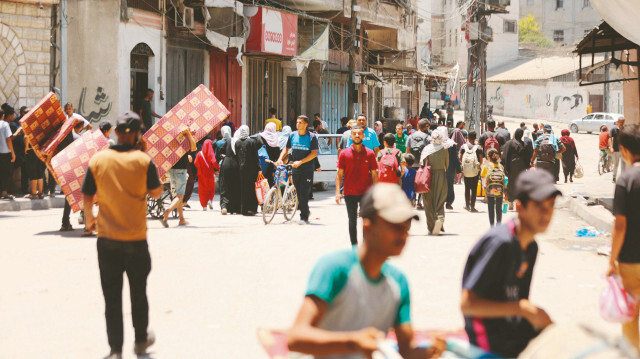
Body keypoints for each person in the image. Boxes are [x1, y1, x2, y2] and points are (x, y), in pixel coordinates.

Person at [288, 183, 445, 359]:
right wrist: (353, 342)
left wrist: (432, 351)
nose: (403, 234)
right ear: (367, 227)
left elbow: (407, 351)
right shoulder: (335, 268)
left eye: (406, 225)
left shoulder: (399, 283)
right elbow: (296, 338)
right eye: (394, 225)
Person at [82, 111, 162, 359]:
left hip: (107, 240)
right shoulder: (143, 161)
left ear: (116, 132)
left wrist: (90, 219)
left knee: (112, 297)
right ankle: (140, 342)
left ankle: (115, 350)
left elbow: (86, 194)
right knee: (139, 293)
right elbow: (157, 193)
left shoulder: (98, 160)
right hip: (136, 239)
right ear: (137, 133)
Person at [461, 169, 559, 358]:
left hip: (513, 329)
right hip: (489, 338)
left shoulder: (531, 247)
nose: (547, 213)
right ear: (520, 207)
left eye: (551, 205)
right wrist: (522, 309)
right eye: (539, 205)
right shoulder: (500, 242)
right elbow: (468, 304)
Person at [606, 124, 640, 351]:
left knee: (630, 316)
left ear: (625, 151)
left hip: (631, 260)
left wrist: (612, 260)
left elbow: (620, 225)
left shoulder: (626, 180)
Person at [335, 126, 379, 245]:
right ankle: (354, 246)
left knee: (367, 221)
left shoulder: (370, 154)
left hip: (366, 192)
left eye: (359, 134)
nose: (357, 136)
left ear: (363, 136)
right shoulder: (344, 154)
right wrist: (338, 192)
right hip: (349, 192)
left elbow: (374, 174)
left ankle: (366, 245)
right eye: (354, 134)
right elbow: (339, 174)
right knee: (352, 220)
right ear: (351, 136)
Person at [277, 116, 318, 224]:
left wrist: (301, 161)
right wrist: (280, 159)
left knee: (304, 193)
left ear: (305, 124)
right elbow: (286, 149)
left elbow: (314, 154)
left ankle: (303, 217)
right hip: (295, 169)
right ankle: (306, 211)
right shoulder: (292, 135)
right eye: (297, 122)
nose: (298, 124)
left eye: (300, 122)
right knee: (299, 193)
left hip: (307, 169)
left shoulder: (312, 137)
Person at [160, 127, 197, 227]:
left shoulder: (171, 140)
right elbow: (194, 148)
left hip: (171, 171)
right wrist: (188, 133)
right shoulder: (184, 141)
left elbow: (165, 157)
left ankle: (181, 219)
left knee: (177, 195)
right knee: (180, 195)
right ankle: (167, 211)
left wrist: (163, 172)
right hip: (181, 171)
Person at [420, 128, 450, 235]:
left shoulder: (426, 149)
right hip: (441, 175)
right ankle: (439, 219)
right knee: (440, 199)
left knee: (428, 201)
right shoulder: (444, 149)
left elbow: (422, 164)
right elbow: (447, 165)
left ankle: (431, 226)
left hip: (428, 177)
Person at [59, 120, 85, 230]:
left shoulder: (60, 140)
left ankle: (65, 222)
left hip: (65, 170)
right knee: (84, 194)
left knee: (68, 197)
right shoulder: (77, 138)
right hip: (77, 170)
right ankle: (85, 220)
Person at [230, 125, 262, 216]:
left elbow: (237, 156)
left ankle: (243, 209)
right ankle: (251, 209)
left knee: (243, 188)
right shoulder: (251, 142)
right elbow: (255, 157)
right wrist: (259, 168)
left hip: (241, 168)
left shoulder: (237, 142)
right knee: (252, 188)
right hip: (251, 169)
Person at [502, 128, 532, 210]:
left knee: (510, 185)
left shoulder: (509, 143)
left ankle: (510, 203)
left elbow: (506, 156)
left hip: (511, 168)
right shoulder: (525, 145)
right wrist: (527, 167)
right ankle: (517, 204)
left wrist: (506, 167)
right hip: (521, 168)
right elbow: (527, 158)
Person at [481, 149, 505, 226]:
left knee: (490, 207)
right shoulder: (501, 166)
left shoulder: (486, 166)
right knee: (499, 208)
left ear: (488, 157)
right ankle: (499, 225)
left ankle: (492, 225)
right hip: (499, 190)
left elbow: (482, 175)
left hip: (490, 190)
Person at [460, 131, 482, 212]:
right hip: (475, 171)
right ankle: (472, 207)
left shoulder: (463, 147)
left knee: (467, 188)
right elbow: (481, 160)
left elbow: (460, 158)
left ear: (468, 138)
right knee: (474, 189)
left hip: (466, 171)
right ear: (475, 138)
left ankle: (467, 205)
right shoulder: (478, 147)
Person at [194, 139, 220, 210]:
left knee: (202, 190)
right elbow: (214, 162)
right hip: (210, 174)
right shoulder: (211, 153)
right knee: (211, 189)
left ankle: (204, 205)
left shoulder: (199, 153)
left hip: (201, 175)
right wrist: (218, 168)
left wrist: (200, 167)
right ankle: (209, 200)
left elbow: (195, 163)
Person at [0, 109, 15, 199]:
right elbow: (8, 139)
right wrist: (13, 153)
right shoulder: (5, 124)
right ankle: (4, 192)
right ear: (3, 116)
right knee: (6, 173)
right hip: (5, 152)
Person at [610, 118, 626, 183]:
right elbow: (610, 138)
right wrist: (611, 147)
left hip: (623, 150)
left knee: (623, 165)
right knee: (616, 164)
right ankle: (614, 177)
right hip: (616, 150)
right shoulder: (614, 129)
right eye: (621, 122)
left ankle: (623, 178)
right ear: (618, 122)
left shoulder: (625, 130)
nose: (622, 123)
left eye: (623, 122)